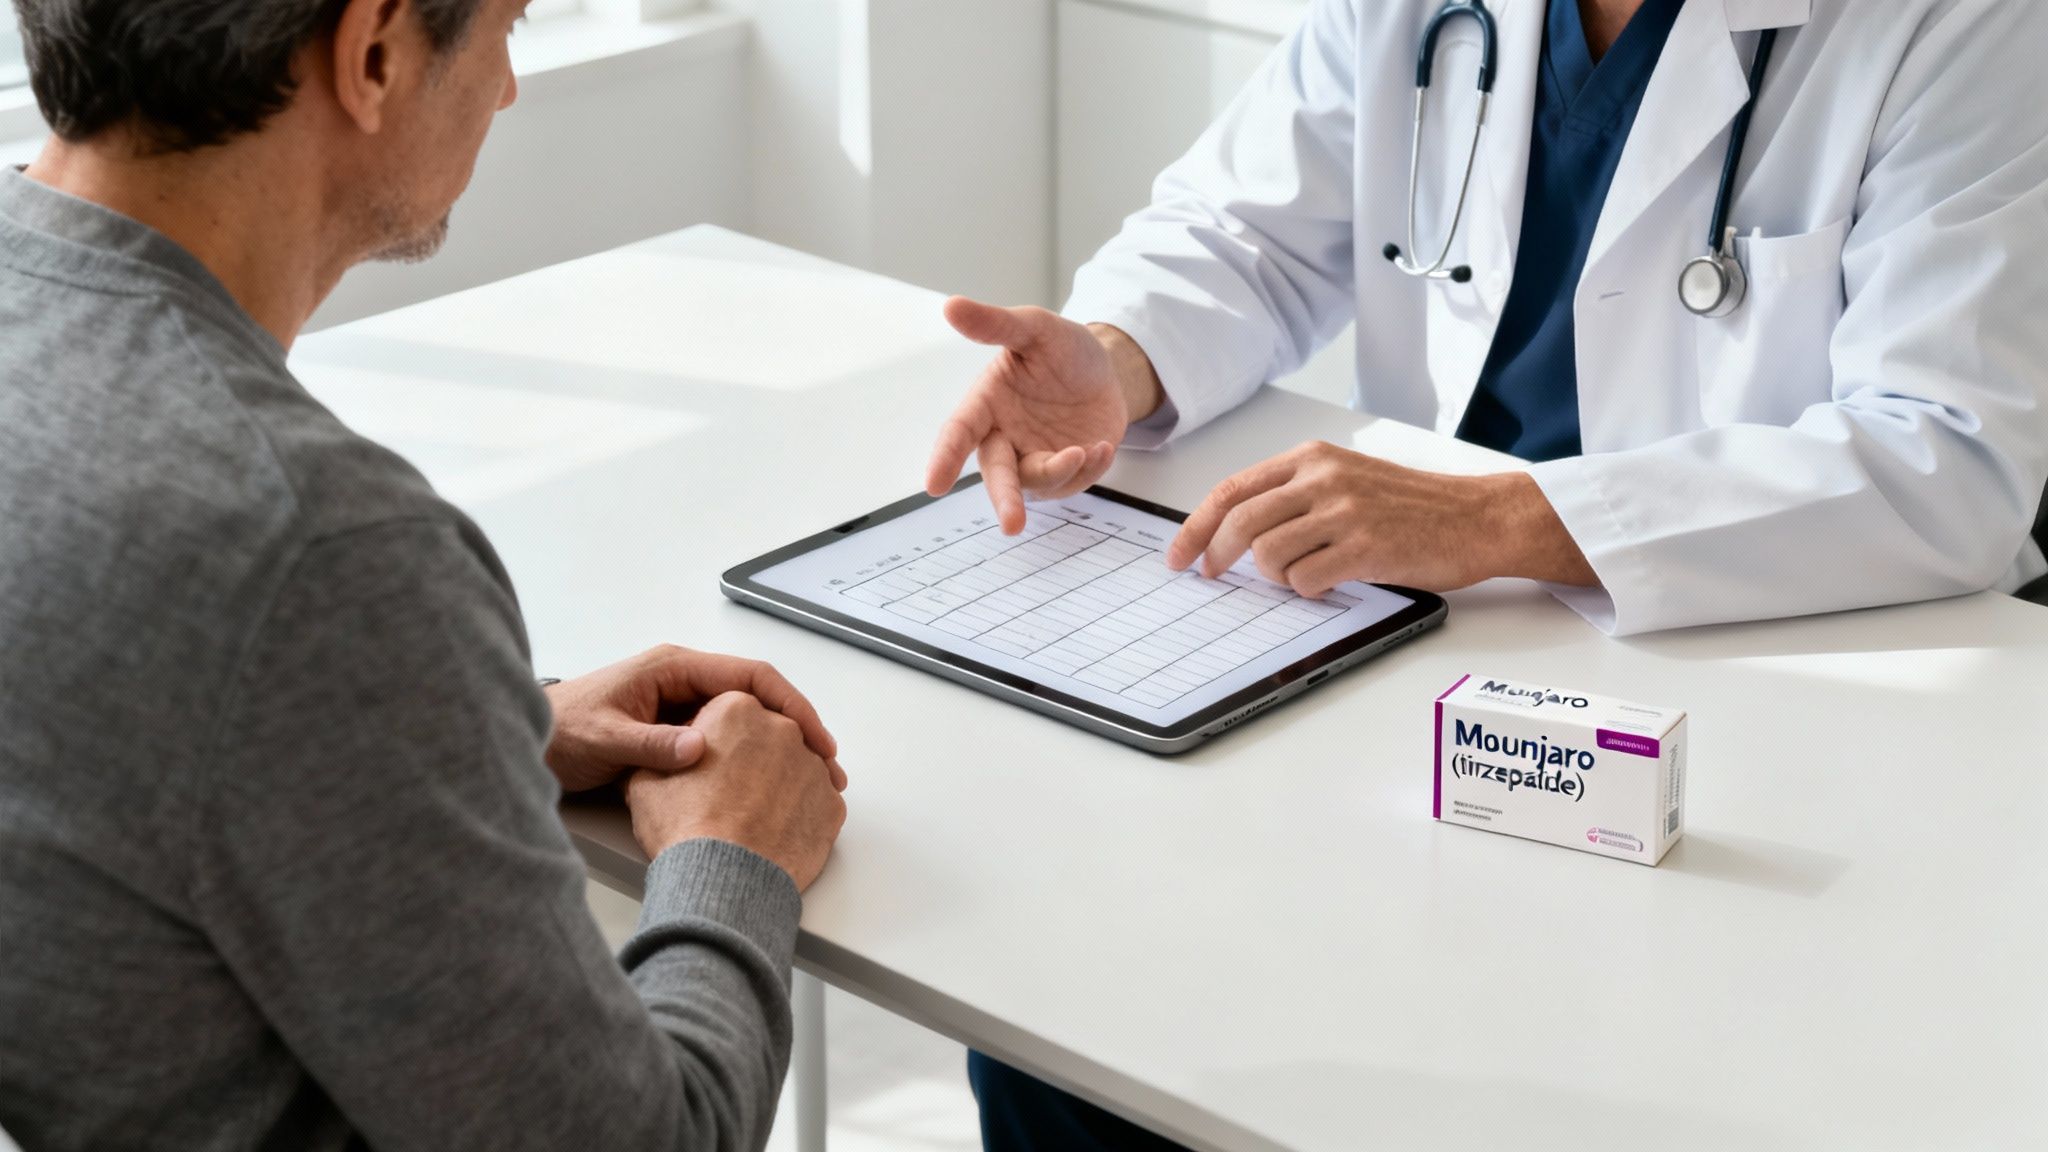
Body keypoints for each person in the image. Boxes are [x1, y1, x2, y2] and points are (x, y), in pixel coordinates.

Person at [926, 0, 2048, 1146]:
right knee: (1065, 1030)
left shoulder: (1960, 24)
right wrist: (1118, 362)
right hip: (1407, 635)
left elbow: (1946, 457)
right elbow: (1242, 233)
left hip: (1747, 684)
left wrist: (1502, 517)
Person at [0, 1, 846, 1148]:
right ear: (376, 52)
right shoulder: (316, 552)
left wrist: (485, 726)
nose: (505, 85)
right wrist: (733, 853)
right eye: (508, 22)